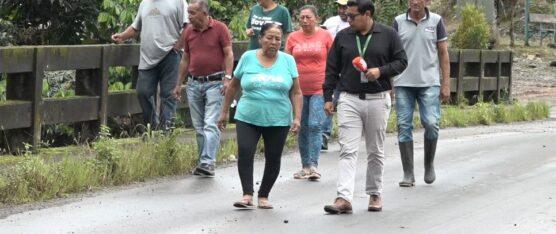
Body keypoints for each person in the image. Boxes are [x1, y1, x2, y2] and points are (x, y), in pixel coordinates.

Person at [322, 0, 407, 214]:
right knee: (347, 149)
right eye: (347, 16)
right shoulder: (343, 36)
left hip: (377, 98)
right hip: (349, 98)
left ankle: (375, 193)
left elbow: (401, 61)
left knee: (375, 150)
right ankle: (343, 198)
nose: (348, 19)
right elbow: (332, 67)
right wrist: (328, 96)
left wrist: (381, 71)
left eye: (352, 16)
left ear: (367, 14)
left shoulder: (388, 34)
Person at [218, 23, 302, 209]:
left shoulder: (288, 61)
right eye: (269, 38)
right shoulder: (248, 58)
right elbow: (233, 86)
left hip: (278, 118)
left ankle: (264, 195)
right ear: (260, 39)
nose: (273, 42)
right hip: (248, 115)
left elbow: (296, 92)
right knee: (246, 151)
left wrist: (297, 117)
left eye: (278, 39)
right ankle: (247, 194)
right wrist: (224, 112)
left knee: (273, 156)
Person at [172, 0, 234, 177]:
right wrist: (178, 84)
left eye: (192, 13)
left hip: (215, 82)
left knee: (210, 124)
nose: (189, 17)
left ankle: (208, 162)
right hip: (193, 83)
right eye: (189, 13)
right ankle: (203, 163)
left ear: (204, 13)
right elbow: (185, 58)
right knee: (198, 127)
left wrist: (227, 78)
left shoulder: (220, 28)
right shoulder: (189, 31)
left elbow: (229, 53)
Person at [392, 0, 450, 187]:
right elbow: (390, 53)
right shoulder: (398, 22)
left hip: (429, 83)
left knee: (432, 123)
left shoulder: (436, 21)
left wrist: (446, 83)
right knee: (403, 126)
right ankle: (408, 173)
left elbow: (443, 53)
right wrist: (388, 81)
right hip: (403, 82)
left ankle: (429, 164)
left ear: (427, 1)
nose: (415, 2)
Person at [111, 0, 188, 130]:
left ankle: (166, 133)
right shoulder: (144, 3)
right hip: (148, 56)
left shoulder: (178, 2)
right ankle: (153, 128)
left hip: (170, 54)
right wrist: (122, 36)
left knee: (168, 95)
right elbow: (136, 27)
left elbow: (188, 26)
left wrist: (178, 46)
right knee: (143, 92)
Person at [285, 5, 333, 181]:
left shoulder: (326, 36)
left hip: (320, 87)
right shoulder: (293, 37)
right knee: (302, 126)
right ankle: (305, 166)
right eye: (302, 17)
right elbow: (286, 61)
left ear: (317, 19)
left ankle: (314, 165)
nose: (304, 21)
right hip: (298, 89)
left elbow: (334, 61)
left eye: (308, 17)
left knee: (315, 124)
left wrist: (334, 87)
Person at [321, 0, 351, 150]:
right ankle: (324, 135)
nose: (342, 10)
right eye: (340, 7)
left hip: (348, 70)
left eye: (345, 7)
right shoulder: (330, 22)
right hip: (331, 69)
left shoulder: (355, 23)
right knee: (329, 101)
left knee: (343, 102)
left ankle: (347, 136)